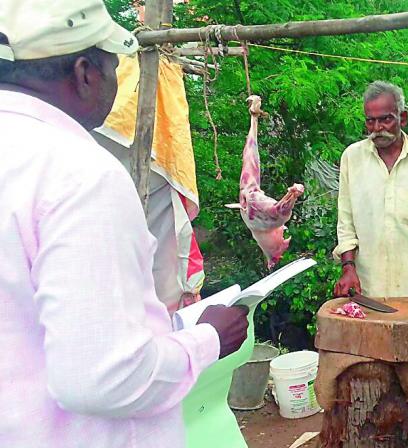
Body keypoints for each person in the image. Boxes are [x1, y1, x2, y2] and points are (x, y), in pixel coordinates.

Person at [0, 1, 249, 446]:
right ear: (84, 72)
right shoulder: (77, 174)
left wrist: (167, 332)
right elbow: (102, 378)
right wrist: (208, 338)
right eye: (114, 63)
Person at [333, 81, 408, 448]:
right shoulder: (352, 157)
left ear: (403, 117)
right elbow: (345, 218)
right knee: (375, 369)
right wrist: (348, 266)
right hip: (372, 286)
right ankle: (385, 436)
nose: (377, 129)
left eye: (385, 120)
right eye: (370, 122)